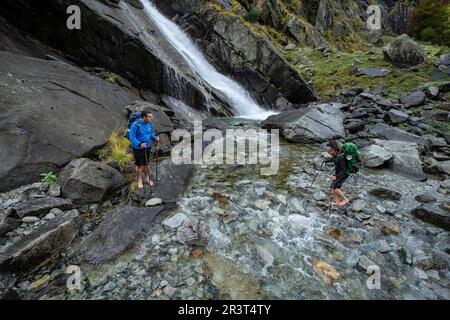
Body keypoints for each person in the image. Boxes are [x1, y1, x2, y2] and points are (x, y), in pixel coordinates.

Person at [129, 109, 160, 189]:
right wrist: (139, 143)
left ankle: (147, 178)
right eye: (149, 117)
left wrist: (155, 138)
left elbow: (150, 133)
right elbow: (131, 137)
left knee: (146, 163)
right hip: (138, 148)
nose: (151, 118)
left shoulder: (149, 124)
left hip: (147, 147)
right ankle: (139, 180)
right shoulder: (136, 125)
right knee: (139, 165)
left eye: (151, 117)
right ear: (144, 117)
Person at [326, 139, 350, 207]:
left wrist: (336, 176)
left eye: (330, 153)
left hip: (344, 173)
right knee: (335, 186)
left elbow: (344, 169)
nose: (329, 154)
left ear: (333, 150)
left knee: (334, 187)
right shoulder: (338, 154)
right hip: (339, 172)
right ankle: (338, 202)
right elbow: (335, 159)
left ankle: (345, 199)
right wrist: (327, 160)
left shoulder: (341, 157)